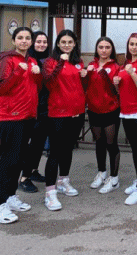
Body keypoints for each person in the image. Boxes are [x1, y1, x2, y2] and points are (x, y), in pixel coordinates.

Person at [0, 27, 41, 224]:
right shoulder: (8, 60)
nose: (24, 41)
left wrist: (37, 74)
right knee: (8, 160)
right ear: (14, 41)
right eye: (20, 38)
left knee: (19, 160)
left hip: (27, 117)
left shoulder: (32, 61)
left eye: (27, 38)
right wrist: (19, 71)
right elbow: (1, 89)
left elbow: (36, 87)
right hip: (10, 117)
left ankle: (10, 196)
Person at [42, 29, 87, 211]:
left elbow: (80, 86)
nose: (66, 45)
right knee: (55, 152)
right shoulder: (51, 62)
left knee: (68, 149)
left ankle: (63, 181)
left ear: (74, 44)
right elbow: (49, 83)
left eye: (70, 42)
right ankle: (50, 192)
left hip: (77, 112)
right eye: (63, 42)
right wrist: (61, 62)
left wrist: (85, 76)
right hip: (58, 113)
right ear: (58, 44)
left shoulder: (78, 62)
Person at [112, 33, 137, 205]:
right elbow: (121, 91)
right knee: (135, 150)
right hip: (126, 112)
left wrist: (133, 74)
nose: (134, 47)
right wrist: (116, 84)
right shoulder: (124, 65)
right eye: (131, 44)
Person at [85, 37, 121, 194]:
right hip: (94, 110)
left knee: (111, 144)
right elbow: (85, 86)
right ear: (97, 49)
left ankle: (114, 178)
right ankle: (102, 172)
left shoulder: (116, 67)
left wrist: (106, 76)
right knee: (99, 143)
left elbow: (115, 91)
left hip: (110, 110)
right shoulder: (91, 65)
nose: (104, 50)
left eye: (107, 47)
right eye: (101, 47)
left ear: (111, 49)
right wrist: (85, 74)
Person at [19, 31, 50, 193]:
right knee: (33, 144)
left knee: (39, 142)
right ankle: (24, 178)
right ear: (33, 43)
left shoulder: (48, 59)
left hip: (46, 107)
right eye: (38, 41)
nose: (41, 44)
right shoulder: (29, 60)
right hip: (33, 107)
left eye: (44, 42)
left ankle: (34, 170)